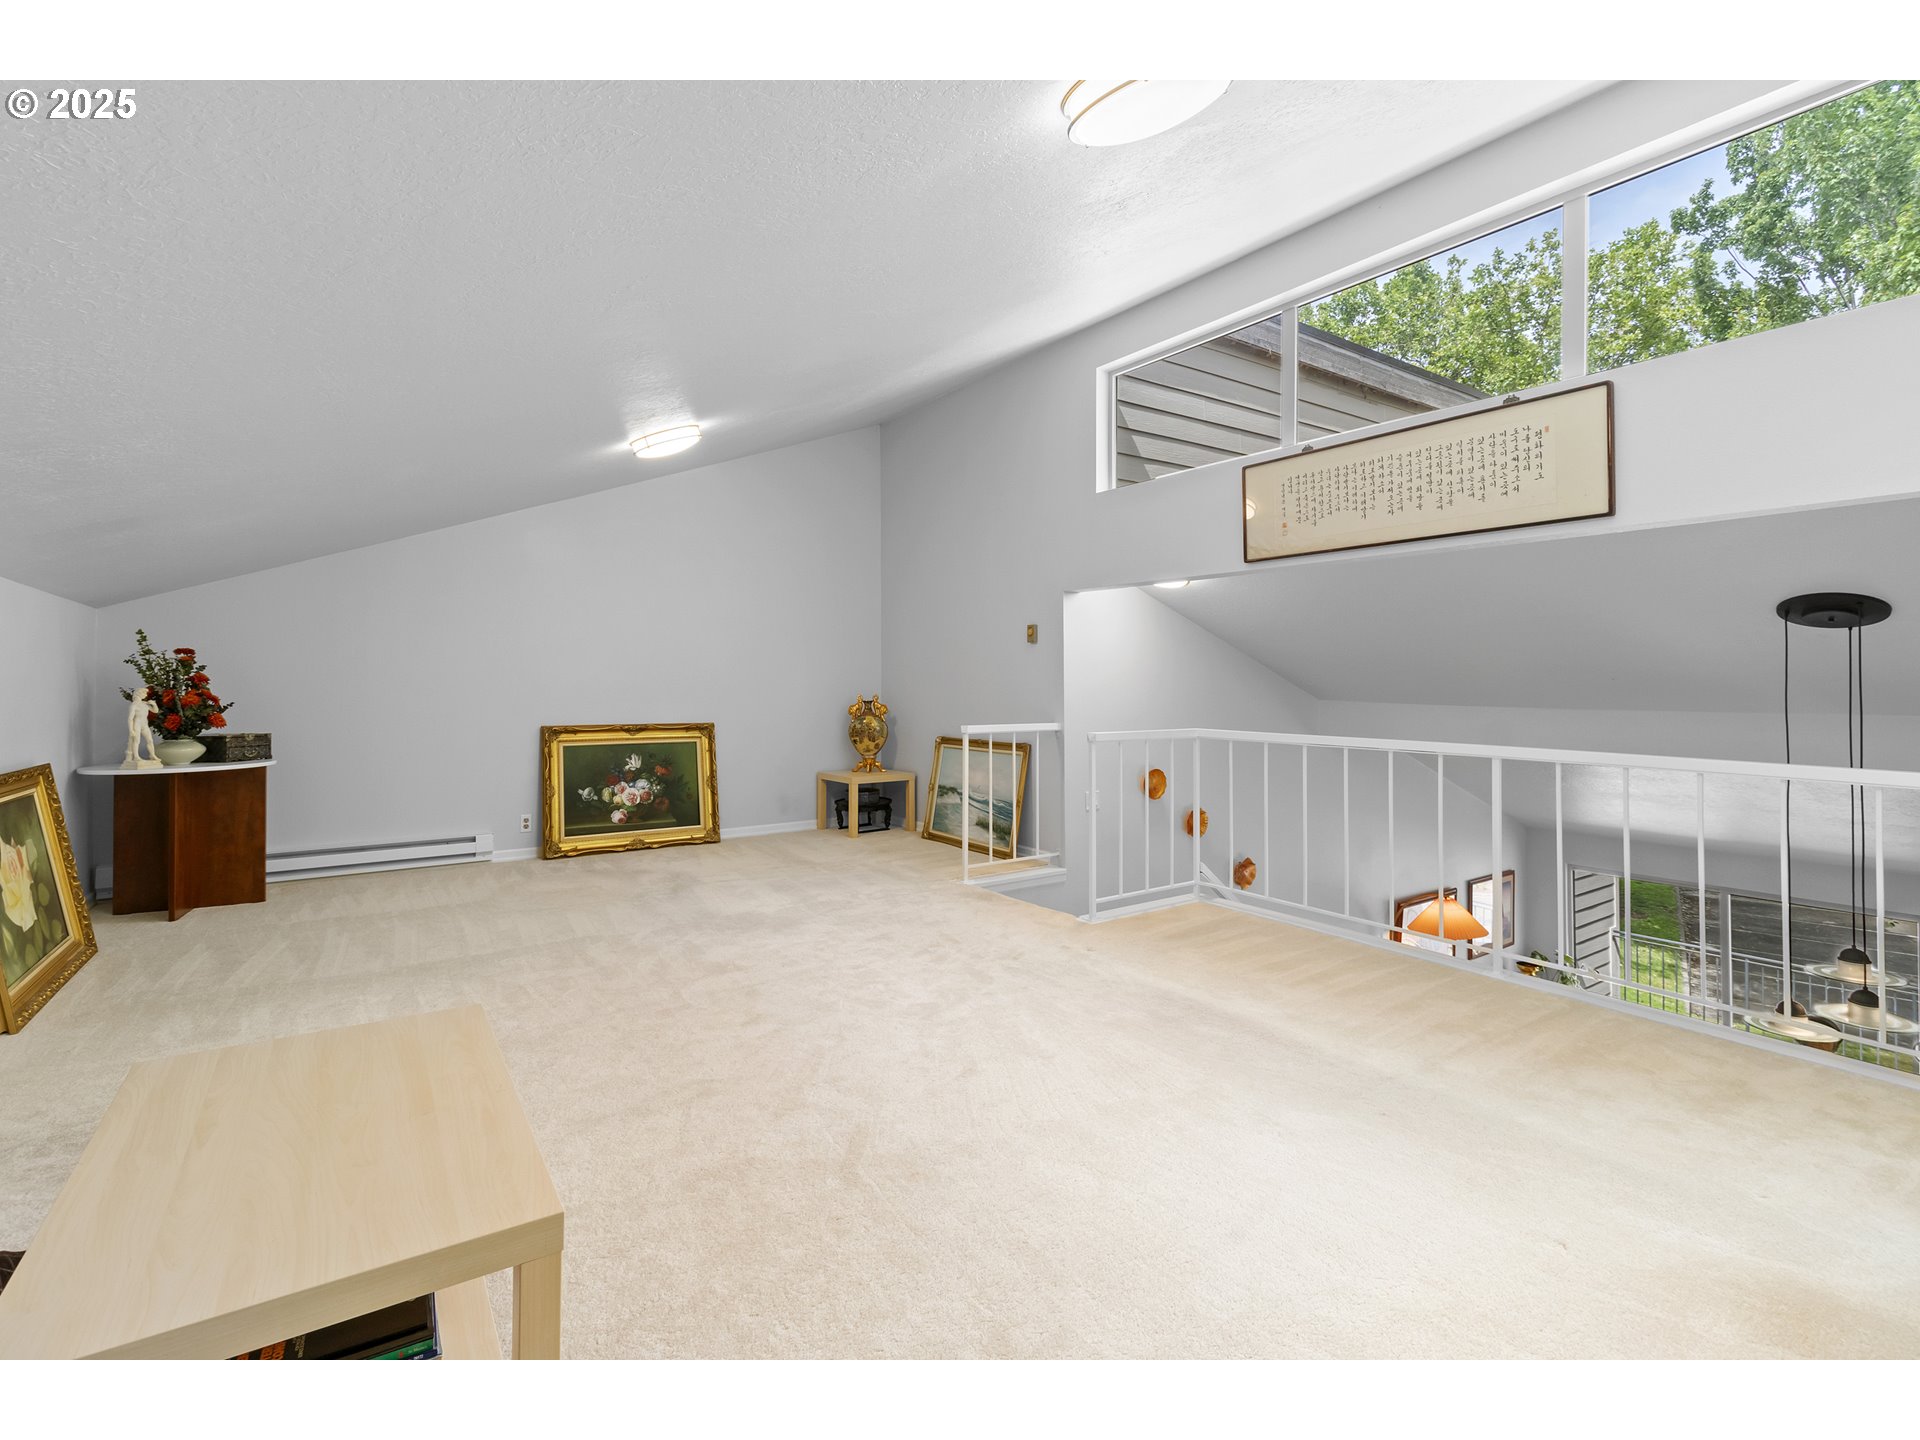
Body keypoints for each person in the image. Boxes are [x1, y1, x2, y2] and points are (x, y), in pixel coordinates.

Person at [124, 686, 163, 768]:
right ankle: (136, 756)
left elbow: (155, 711)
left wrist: (154, 704)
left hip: (145, 724)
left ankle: (152, 755)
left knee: (150, 740)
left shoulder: (145, 704)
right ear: (139, 694)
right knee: (136, 740)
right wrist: (131, 730)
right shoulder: (134, 705)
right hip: (137, 724)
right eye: (144, 693)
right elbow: (130, 719)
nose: (145, 695)